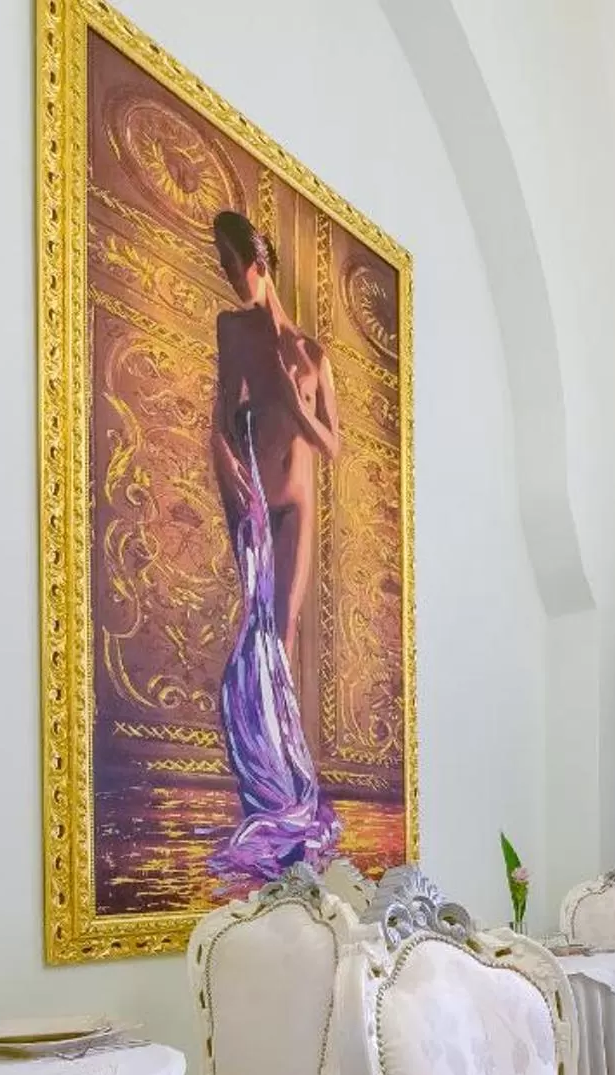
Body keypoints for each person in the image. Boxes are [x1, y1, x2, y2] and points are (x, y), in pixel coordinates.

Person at [205, 209, 341, 881]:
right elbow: (219, 414)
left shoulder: (313, 355)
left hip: (299, 504)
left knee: (282, 631)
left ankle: (289, 794)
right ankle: (268, 783)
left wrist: (296, 398)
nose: (233, 282)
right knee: (258, 633)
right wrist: (222, 457)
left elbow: (332, 445)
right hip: (256, 498)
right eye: (225, 272)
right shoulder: (232, 330)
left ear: (259, 263)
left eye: (237, 268)